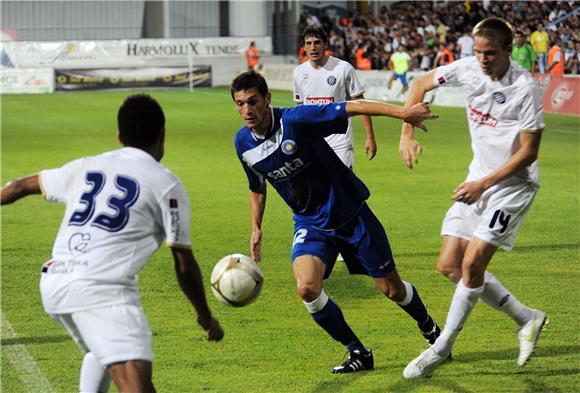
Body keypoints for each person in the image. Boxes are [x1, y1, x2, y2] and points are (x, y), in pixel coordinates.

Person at [0, 94, 224, 392]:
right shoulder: (166, 184)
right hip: (102, 290)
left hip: (55, 282)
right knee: (137, 386)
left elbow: (17, 187)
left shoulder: (87, 165)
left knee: (101, 350)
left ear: (119, 136)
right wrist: (206, 317)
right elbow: (184, 264)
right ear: (162, 134)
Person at [231, 70, 441, 374]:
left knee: (392, 290)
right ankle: (358, 352)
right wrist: (256, 226)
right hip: (310, 224)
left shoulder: (296, 120)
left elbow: (352, 107)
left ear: (267, 98)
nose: (247, 110)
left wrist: (404, 114)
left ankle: (430, 328)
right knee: (307, 288)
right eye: (240, 104)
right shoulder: (242, 143)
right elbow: (256, 185)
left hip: (351, 215)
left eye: (253, 101)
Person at [399, 18, 547, 379]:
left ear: (509, 52)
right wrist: (406, 131)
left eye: (491, 54)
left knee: (472, 264)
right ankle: (527, 318)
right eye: (478, 52)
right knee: (449, 265)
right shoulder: (467, 69)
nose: (482, 59)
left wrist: (484, 185)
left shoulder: (524, 88)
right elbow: (420, 82)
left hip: (513, 186)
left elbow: (528, 152)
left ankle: (440, 348)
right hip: (477, 179)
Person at [293, 25, 377, 169]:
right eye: (309, 43)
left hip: (340, 141)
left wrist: (370, 136)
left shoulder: (343, 68)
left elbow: (361, 104)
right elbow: (299, 110)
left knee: (343, 188)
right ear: (304, 48)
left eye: (317, 42)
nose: (313, 47)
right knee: (318, 189)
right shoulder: (299, 72)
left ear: (325, 44)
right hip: (312, 141)